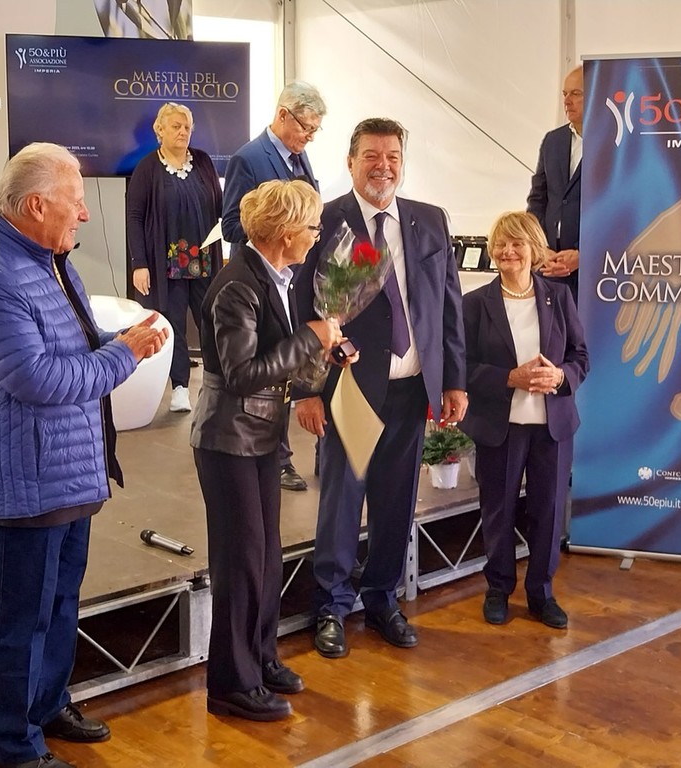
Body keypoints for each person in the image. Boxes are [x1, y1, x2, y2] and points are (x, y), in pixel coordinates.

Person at [0, 143, 169, 768]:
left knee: (60, 606)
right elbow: (38, 379)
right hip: (26, 482)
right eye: (76, 201)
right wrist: (125, 353)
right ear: (37, 205)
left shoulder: (50, 259)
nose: (86, 214)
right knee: (22, 620)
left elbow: (76, 344)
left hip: (66, 472)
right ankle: (16, 748)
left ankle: (47, 706)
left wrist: (122, 338)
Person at [294, 118, 467, 658]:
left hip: (412, 390)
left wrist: (454, 380)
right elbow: (301, 311)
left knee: (397, 502)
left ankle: (382, 599)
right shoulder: (324, 222)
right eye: (371, 155)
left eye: (392, 156)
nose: (383, 166)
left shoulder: (430, 220)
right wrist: (305, 390)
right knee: (341, 501)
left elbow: (449, 307)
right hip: (348, 389)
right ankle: (331, 606)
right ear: (350, 162)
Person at [190, 180, 346, 721]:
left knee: (265, 558)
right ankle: (232, 684)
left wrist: (324, 351)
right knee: (240, 564)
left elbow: (278, 357)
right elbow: (241, 374)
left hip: (259, 436)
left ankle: (259, 658)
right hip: (228, 440)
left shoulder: (274, 278)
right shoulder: (238, 285)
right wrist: (310, 338)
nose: (317, 236)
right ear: (285, 232)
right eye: (312, 227)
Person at [459, 212, 588, 630]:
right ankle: (498, 589)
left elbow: (580, 357)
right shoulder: (474, 303)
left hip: (553, 426)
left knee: (548, 512)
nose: (507, 252)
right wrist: (508, 378)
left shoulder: (559, 297)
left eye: (517, 244)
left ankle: (541, 594)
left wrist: (561, 377)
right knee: (498, 511)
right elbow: (461, 367)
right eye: (500, 244)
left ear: (534, 249)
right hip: (501, 426)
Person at [222, 81, 327, 491]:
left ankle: (300, 447)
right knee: (271, 365)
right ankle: (278, 456)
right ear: (283, 115)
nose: (309, 136)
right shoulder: (248, 158)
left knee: (299, 361)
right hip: (263, 281)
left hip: (296, 276)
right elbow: (232, 224)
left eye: (315, 130)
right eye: (305, 127)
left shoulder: (301, 157)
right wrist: (276, 232)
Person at [127, 102, 223, 414]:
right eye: (176, 126)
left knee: (212, 321)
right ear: (160, 130)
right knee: (174, 325)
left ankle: (216, 382)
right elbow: (134, 217)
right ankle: (180, 387)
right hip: (166, 263)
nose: (183, 132)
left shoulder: (204, 162)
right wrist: (139, 264)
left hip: (204, 260)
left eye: (187, 127)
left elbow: (220, 207)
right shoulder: (147, 168)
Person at [527, 64, 584, 301]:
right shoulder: (553, 140)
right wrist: (540, 247)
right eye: (564, 94)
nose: (567, 101)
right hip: (549, 265)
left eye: (576, 94)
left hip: (593, 271)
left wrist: (583, 255)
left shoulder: (614, 143)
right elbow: (537, 199)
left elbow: (619, 212)